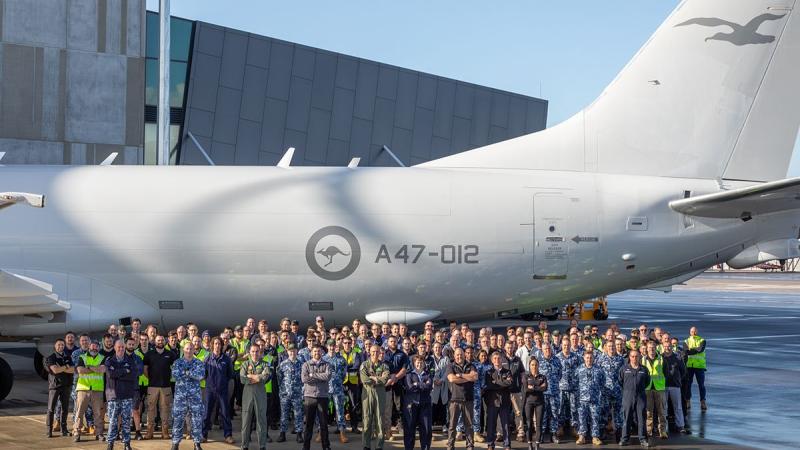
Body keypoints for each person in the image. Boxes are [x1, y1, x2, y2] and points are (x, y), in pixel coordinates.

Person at [171, 341, 206, 450]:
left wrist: (186, 372)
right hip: (180, 397)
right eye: (187, 349)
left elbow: (200, 376)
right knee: (178, 420)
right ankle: (175, 444)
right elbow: (175, 375)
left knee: (197, 420)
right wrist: (191, 373)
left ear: (194, 350)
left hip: (194, 397)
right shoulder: (177, 362)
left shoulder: (199, 363)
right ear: (183, 350)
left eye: (191, 349)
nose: (189, 351)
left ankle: (197, 444)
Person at [105, 339, 139, 450]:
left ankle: (127, 443)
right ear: (114, 348)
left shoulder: (130, 360)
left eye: (122, 347)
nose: (121, 349)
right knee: (113, 421)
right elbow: (111, 374)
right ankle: (110, 444)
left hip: (127, 395)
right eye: (119, 347)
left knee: (126, 420)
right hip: (114, 396)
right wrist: (125, 371)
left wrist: (119, 372)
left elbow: (133, 375)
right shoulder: (110, 361)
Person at [73, 340, 106, 442]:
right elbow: (80, 371)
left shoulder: (102, 358)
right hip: (83, 388)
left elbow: (102, 370)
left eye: (96, 347)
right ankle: (77, 433)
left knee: (98, 413)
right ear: (89, 347)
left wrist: (89, 367)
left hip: (97, 389)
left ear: (98, 348)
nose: (94, 348)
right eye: (92, 346)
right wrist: (95, 369)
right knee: (79, 413)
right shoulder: (82, 357)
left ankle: (99, 433)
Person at [301, 344, 332, 450]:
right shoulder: (306, 365)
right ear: (311, 353)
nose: (316, 353)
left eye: (318, 351)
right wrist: (320, 376)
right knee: (308, 425)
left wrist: (312, 375)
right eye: (314, 351)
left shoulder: (327, 364)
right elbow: (304, 379)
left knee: (323, 424)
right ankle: (306, 447)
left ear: (322, 353)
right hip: (309, 397)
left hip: (322, 397)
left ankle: (326, 446)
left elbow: (327, 376)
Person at [240, 342, 270, 450]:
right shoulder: (245, 364)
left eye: (257, 351)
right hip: (247, 395)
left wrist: (252, 377)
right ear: (249, 353)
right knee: (246, 421)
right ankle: (244, 445)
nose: (255, 353)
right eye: (252, 351)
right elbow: (242, 378)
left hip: (260, 394)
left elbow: (265, 377)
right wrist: (257, 377)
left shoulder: (265, 364)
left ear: (260, 352)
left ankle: (262, 445)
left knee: (261, 420)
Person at [445, 347, 477, 449]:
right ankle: (450, 446)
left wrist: (461, 375)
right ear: (454, 356)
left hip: (468, 400)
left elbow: (475, 377)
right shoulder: (451, 366)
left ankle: (470, 446)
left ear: (464, 355)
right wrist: (467, 378)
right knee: (452, 426)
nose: (459, 356)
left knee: (469, 426)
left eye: (461, 354)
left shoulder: (471, 365)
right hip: (454, 400)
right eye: (457, 355)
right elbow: (451, 378)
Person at [205, 337, 235, 444]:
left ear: (222, 346)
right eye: (215, 344)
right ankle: (204, 435)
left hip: (223, 390)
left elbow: (230, 374)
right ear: (212, 345)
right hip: (210, 390)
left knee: (225, 413)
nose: (217, 346)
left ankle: (228, 435)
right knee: (207, 413)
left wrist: (222, 383)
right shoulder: (208, 359)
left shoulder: (226, 359)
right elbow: (205, 374)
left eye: (219, 344)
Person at [144, 335, 175, 440]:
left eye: (162, 340)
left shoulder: (170, 354)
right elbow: (145, 369)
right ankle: (149, 432)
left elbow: (174, 368)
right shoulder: (149, 354)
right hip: (152, 387)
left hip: (166, 386)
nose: (160, 342)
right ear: (155, 342)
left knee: (165, 410)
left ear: (165, 341)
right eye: (158, 340)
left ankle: (165, 433)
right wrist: (152, 379)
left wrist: (167, 378)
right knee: (151, 410)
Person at [361, 344, 390, 450]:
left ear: (380, 353)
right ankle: (366, 445)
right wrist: (378, 379)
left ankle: (379, 446)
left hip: (380, 394)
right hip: (367, 394)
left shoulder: (384, 366)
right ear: (369, 352)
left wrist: (374, 378)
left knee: (380, 420)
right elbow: (364, 379)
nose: (375, 354)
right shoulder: (364, 365)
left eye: (377, 352)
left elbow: (385, 379)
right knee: (367, 420)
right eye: (373, 351)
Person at [619, 348, 650, 448]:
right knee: (626, 418)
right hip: (627, 396)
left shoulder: (644, 369)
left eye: (636, 356)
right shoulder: (624, 369)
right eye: (632, 356)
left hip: (640, 396)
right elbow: (620, 381)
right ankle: (624, 439)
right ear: (629, 357)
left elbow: (647, 382)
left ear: (640, 357)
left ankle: (643, 439)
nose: (634, 358)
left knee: (641, 418)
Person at [45, 338, 74, 438]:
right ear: (55, 346)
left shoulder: (68, 357)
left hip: (66, 386)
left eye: (62, 345)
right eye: (59, 345)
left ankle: (64, 429)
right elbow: (55, 370)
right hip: (55, 386)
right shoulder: (50, 357)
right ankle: (49, 430)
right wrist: (65, 367)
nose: (61, 346)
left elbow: (73, 370)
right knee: (51, 409)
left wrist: (61, 368)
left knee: (65, 409)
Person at [597, 339, 625, 443]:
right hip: (605, 391)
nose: (611, 348)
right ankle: (602, 433)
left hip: (617, 390)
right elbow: (598, 373)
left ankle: (619, 434)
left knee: (618, 413)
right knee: (604, 412)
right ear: (605, 347)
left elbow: (623, 375)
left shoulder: (621, 359)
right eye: (609, 346)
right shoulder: (600, 359)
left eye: (613, 346)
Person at [403, 354, 434, 450]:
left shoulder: (428, 374)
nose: (419, 364)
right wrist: (422, 385)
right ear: (414, 363)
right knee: (409, 429)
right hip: (411, 405)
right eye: (417, 362)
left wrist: (417, 384)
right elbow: (410, 388)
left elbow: (428, 387)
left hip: (425, 404)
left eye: (421, 362)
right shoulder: (409, 375)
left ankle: (425, 448)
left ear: (424, 363)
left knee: (426, 429)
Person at [484, 351, 513, 450]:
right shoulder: (488, 373)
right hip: (493, 402)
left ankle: (507, 444)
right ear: (492, 360)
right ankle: (490, 444)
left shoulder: (507, 371)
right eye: (495, 358)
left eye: (499, 358)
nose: (497, 360)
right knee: (491, 424)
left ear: (502, 359)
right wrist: (502, 383)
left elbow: (509, 383)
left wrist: (496, 383)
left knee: (505, 425)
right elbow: (489, 386)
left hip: (504, 402)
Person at [575, 351, 605, 446]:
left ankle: (595, 437)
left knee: (595, 418)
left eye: (591, 357)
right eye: (587, 357)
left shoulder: (599, 370)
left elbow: (603, 382)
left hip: (594, 399)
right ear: (584, 358)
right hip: (582, 399)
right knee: (581, 418)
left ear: (593, 358)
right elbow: (575, 382)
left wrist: (597, 393)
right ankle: (582, 436)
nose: (589, 359)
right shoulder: (579, 369)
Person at [382, 335, 408, 441]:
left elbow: (404, 369)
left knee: (399, 406)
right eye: (391, 341)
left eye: (394, 341)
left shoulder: (402, 354)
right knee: (387, 407)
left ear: (397, 342)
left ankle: (399, 426)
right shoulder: (383, 353)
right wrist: (389, 380)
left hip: (398, 383)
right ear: (388, 342)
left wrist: (395, 378)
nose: (393, 343)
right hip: (386, 384)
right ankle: (387, 430)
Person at [277, 343, 304, 443]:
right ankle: (282, 434)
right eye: (290, 351)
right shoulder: (283, 364)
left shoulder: (301, 364)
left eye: (294, 351)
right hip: (285, 394)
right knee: (284, 415)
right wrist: (283, 390)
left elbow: (304, 378)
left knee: (298, 414)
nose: (292, 352)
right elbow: (279, 378)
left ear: (297, 351)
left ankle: (299, 434)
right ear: (287, 352)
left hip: (297, 394)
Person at [661, 337, 689, 435]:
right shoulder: (660, 357)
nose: (667, 348)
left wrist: (677, 379)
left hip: (675, 385)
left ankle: (680, 425)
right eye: (665, 346)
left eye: (669, 346)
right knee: (664, 407)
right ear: (663, 347)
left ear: (671, 347)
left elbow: (683, 371)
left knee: (678, 407)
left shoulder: (677, 357)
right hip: (663, 386)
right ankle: (664, 427)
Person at [323, 339, 349, 443]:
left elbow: (343, 375)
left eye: (333, 346)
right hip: (325, 389)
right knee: (323, 412)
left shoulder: (341, 359)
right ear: (327, 346)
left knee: (340, 411)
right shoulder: (323, 359)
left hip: (338, 388)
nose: (332, 348)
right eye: (330, 346)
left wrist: (337, 381)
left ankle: (342, 433)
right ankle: (321, 433)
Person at [537, 343, 562, 444]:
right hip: (542, 393)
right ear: (542, 350)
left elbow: (560, 374)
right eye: (545, 349)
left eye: (549, 349)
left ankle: (553, 434)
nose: (547, 350)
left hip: (554, 392)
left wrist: (554, 384)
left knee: (554, 414)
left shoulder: (556, 360)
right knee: (542, 414)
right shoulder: (539, 361)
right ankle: (541, 434)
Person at [643, 341, 668, 440]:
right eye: (649, 347)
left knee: (661, 411)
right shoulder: (643, 360)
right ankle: (649, 431)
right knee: (649, 412)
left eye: (653, 347)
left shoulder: (662, 359)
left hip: (659, 388)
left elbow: (666, 373)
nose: (651, 349)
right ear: (646, 348)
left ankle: (662, 431)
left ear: (656, 348)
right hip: (648, 388)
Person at [555, 336, 579, 438]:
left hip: (573, 388)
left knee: (574, 409)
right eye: (564, 345)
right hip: (561, 388)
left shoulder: (576, 357)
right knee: (560, 409)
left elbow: (580, 371)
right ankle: (560, 427)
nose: (566, 347)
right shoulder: (557, 357)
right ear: (561, 346)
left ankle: (574, 427)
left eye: (568, 345)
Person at [523, 358, 548, 450]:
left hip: (540, 403)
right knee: (529, 424)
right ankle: (529, 443)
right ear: (529, 366)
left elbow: (545, 388)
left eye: (536, 365)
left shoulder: (543, 377)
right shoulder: (526, 376)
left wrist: (532, 387)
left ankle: (537, 444)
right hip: (529, 403)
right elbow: (526, 389)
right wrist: (538, 386)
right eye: (532, 365)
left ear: (538, 366)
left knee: (539, 424)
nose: (534, 366)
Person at [341, 336, 363, 434]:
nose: (347, 344)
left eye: (349, 343)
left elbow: (356, 366)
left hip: (353, 383)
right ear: (342, 343)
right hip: (342, 382)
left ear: (351, 343)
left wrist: (346, 367)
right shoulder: (339, 354)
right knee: (340, 405)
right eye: (345, 343)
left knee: (353, 405)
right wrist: (348, 366)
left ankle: (354, 427)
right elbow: (339, 366)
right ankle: (340, 427)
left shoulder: (356, 354)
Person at [684, 326, 707, 411]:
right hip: (689, 366)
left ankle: (703, 401)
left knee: (701, 385)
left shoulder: (702, 340)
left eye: (694, 331)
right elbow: (686, 351)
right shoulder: (686, 341)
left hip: (699, 366)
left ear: (697, 332)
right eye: (692, 331)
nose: (693, 333)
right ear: (690, 332)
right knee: (688, 384)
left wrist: (691, 350)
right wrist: (696, 350)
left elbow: (700, 349)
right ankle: (688, 400)